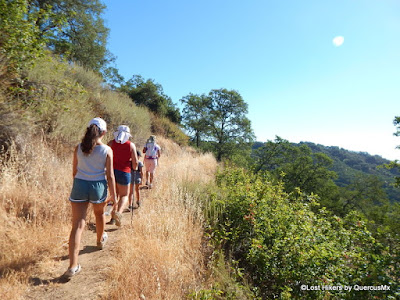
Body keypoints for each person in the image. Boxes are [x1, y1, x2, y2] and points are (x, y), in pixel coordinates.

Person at [64, 117, 116, 278]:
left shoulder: (78, 147)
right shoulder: (107, 150)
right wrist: (114, 195)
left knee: (77, 225)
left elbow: (74, 171)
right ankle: (100, 241)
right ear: (104, 132)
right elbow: (110, 176)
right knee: (99, 215)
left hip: (80, 184)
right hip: (98, 186)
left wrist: (79, 184)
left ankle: (72, 266)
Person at [107, 125, 137, 226]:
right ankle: (119, 213)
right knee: (124, 195)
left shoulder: (111, 143)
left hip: (111, 172)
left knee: (114, 195)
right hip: (124, 172)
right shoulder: (131, 145)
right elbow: (135, 162)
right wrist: (134, 168)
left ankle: (112, 218)